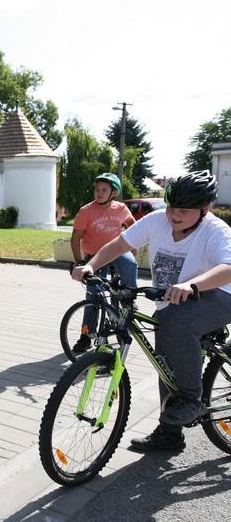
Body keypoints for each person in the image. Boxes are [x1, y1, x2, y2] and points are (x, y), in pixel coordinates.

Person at [72, 171, 231, 452]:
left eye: (184, 211)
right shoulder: (157, 221)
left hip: (220, 294)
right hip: (175, 300)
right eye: (171, 208)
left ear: (205, 209)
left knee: (176, 323)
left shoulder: (216, 231)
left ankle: (191, 399)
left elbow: (228, 268)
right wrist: (90, 265)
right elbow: (120, 244)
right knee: (165, 361)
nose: (174, 215)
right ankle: (170, 435)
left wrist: (192, 285)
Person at [70, 172, 138, 353]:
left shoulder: (121, 208)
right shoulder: (86, 211)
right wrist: (78, 262)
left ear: (113, 193)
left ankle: (129, 299)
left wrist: (134, 248)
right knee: (93, 297)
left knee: (130, 264)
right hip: (94, 257)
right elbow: (75, 238)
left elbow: (133, 226)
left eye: (104, 190)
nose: (98, 193)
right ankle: (86, 336)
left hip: (116, 252)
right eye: (97, 189)